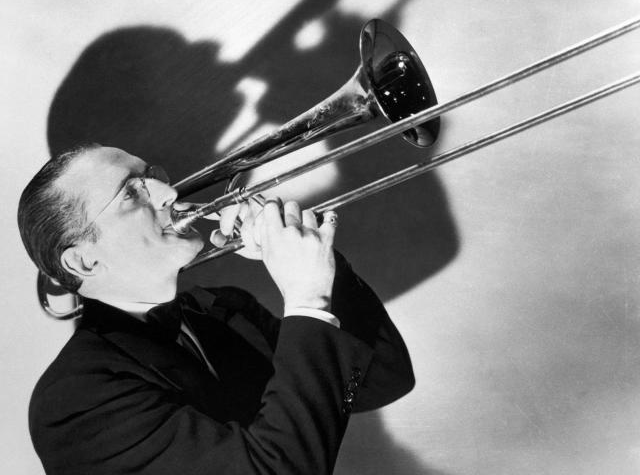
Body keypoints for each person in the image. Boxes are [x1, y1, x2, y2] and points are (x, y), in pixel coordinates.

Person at [18, 144, 415, 474]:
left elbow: (384, 380)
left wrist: (322, 269)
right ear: (85, 263)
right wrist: (306, 299)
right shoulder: (77, 401)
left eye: (151, 175)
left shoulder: (223, 309)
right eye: (131, 194)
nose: (168, 192)